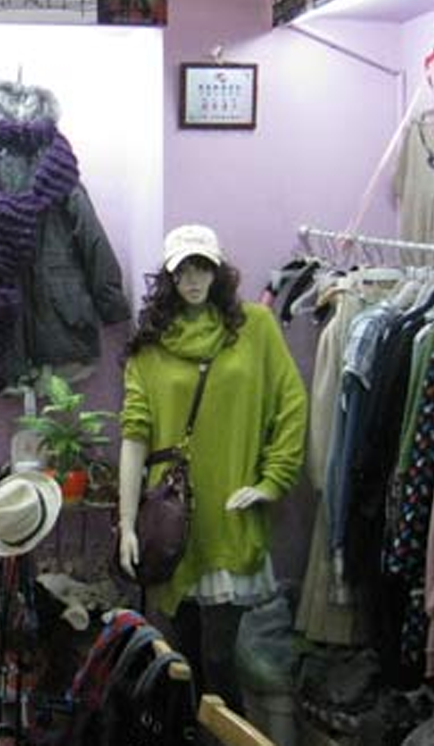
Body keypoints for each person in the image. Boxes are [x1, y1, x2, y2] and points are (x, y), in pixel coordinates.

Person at [116, 224, 307, 709]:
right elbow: (134, 436)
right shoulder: (150, 346)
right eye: (183, 270)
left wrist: (272, 480)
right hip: (174, 522)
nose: (194, 279)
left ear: (218, 271)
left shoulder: (255, 328)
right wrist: (127, 523)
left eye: (203, 267)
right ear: (169, 277)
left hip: (230, 513)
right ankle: (193, 735)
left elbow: (291, 404)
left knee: (220, 659)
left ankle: (227, 736)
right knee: (183, 660)